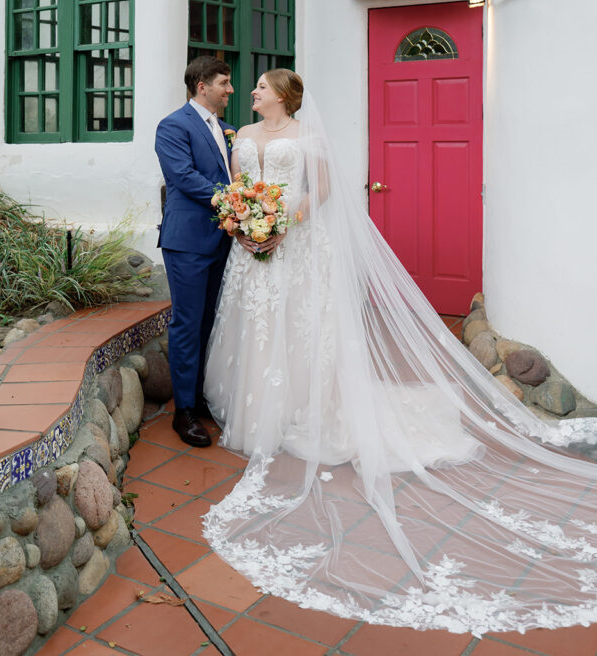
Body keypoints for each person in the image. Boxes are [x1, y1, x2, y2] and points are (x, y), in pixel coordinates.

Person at [203, 68, 597, 635]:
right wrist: (243, 223)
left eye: (262, 87)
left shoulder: (308, 137)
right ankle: (263, 404)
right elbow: (239, 189)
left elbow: (322, 190)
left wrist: (284, 223)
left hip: (297, 243)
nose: (253, 92)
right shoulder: (242, 136)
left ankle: (302, 403)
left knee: (300, 327)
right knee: (259, 326)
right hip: (251, 248)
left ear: (284, 97)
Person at [155, 56, 235, 447]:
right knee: (187, 324)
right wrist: (234, 200)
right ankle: (183, 411)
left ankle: (201, 396)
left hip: (222, 238)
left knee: (210, 322)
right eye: (224, 82)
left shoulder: (225, 128)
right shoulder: (173, 125)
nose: (230, 89)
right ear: (202, 86)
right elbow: (184, 177)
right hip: (187, 241)